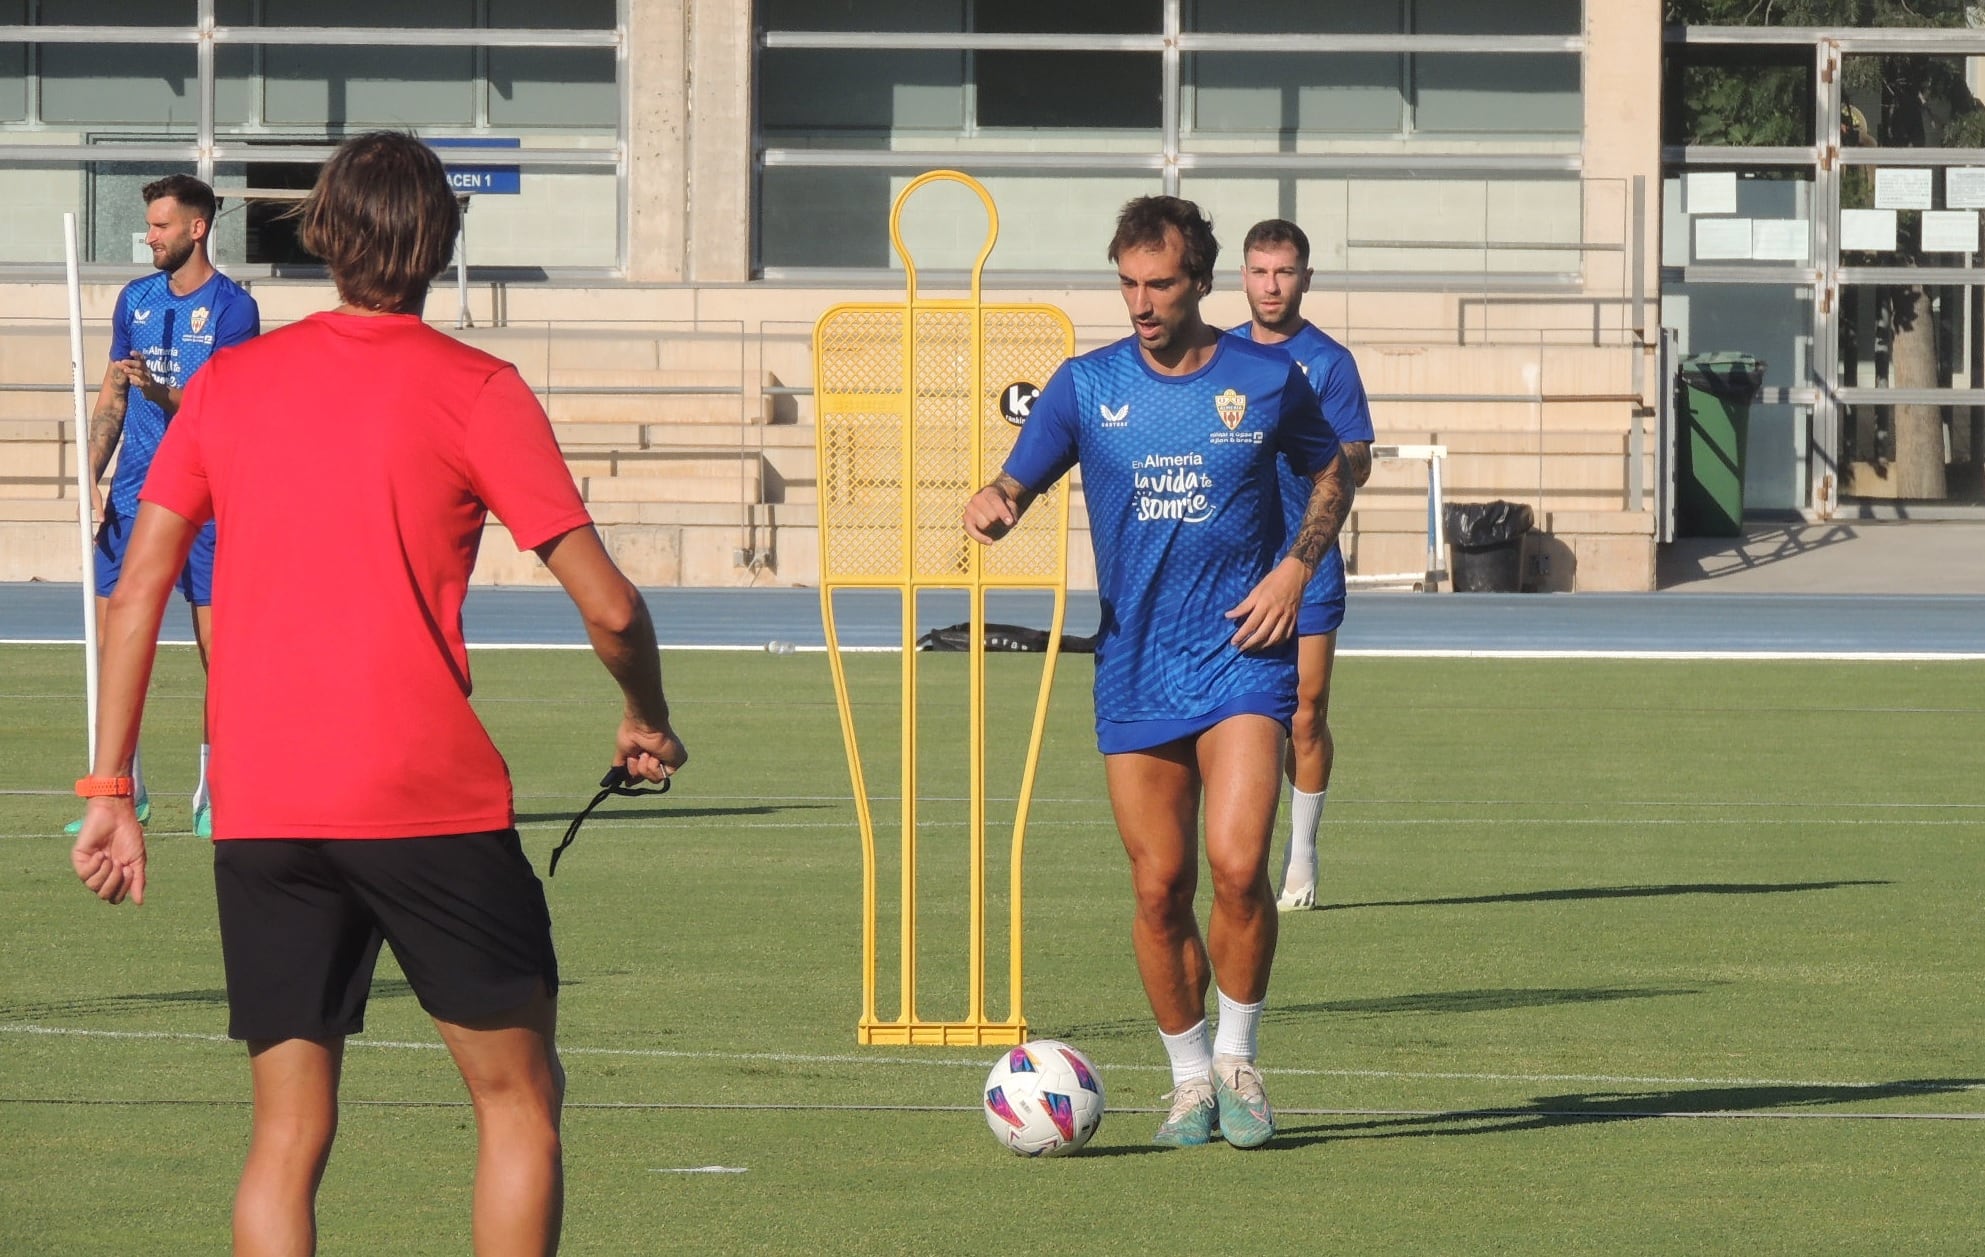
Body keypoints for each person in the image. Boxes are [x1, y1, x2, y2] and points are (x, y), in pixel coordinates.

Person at [69, 131, 687, 1257]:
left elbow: (137, 588)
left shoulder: (229, 386)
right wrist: (645, 713)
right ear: (441, 245)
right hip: (425, 801)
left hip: (261, 806)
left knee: (286, 1133)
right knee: (515, 1102)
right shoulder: (477, 389)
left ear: (320, 235)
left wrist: (111, 783)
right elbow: (607, 605)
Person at [964, 196, 1352, 1149]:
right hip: (1134, 665)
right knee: (1156, 886)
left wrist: (1295, 566)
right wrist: (997, 497)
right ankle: (1186, 1080)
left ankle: (1237, 1057)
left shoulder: (1266, 377)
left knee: (1235, 866)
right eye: (1128, 283)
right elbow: (1020, 477)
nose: (1141, 301)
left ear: (1201, 281)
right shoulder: (1084, 385)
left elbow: (1334, 469)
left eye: (1161, 283)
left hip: (1240, 655)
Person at [70, 173, 260, 839]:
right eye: (149, 224)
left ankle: (215, 790)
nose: (148, 237)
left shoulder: (234, 309)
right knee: (113, 643)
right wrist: (87, 472)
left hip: (206, 499)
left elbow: (220, 409)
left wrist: (161, 391)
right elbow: (112, 397)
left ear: (197, 228)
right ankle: (124, 785)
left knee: (219, 650)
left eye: (160, 226)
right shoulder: (136, 299)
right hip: (130, 497)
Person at [1230, 219, 1376, 912]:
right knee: (1233, 716)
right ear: (1242, 276)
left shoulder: (1328, 362)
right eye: (1259, 271)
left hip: (1309, 563)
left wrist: (1307, 449)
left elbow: (1358, 463)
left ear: (1305, 278)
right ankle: (1237, 859)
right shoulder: (1220, 354)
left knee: (1305, 713)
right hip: (1232, 568)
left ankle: (1302, 857)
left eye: (1283, 271)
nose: (1270, 284)